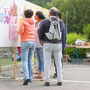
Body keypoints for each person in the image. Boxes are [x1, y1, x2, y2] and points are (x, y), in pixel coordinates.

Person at [38, 7, 64, 86]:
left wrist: (41, 40)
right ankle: (59, 80)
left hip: (47, 44)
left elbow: (40, 33)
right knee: (58, 63)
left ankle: (47, 81)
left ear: (49, 13)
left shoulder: (44, 21)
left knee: (47, 62)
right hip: (58, 44)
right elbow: (61, 31)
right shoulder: (61, 22)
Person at [17, 9, 35, 85]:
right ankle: (30, 77)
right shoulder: (33, 22)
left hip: (25, 41)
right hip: (33, 41)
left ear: (25, 15)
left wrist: (16, 30)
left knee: (24, 60)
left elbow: (21, 32)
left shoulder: (23, 21)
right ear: (31, 15)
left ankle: (26, 77)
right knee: (30, 60)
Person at [53, 11, 67, 78]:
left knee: (59, 59)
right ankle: (57, 72)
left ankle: (60, 72)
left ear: (58, 16)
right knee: (56, 59)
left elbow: (64, 35)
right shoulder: (57, 23)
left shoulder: (62, 24)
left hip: (60, 44)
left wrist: (63, 45)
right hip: (57, 44)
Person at [33, 11, 45, 81]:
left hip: (41, 44)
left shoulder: (42, 23)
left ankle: (43, 74)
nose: (34, 16)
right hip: (36, 44)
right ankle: (39, 73)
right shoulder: (35, 23)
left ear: (37, 16)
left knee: (42, 59)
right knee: (39, 59)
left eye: (35, 15)